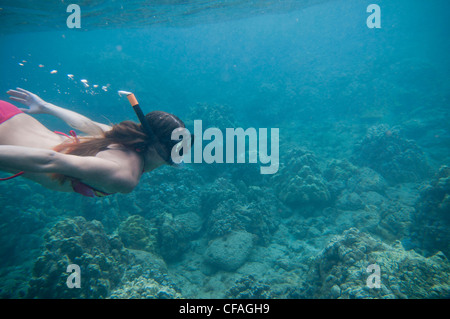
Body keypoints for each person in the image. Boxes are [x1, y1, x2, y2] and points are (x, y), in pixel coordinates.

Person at [0, 88, 189, 197]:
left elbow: (85, 124)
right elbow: (50, 160)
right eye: (170, 159)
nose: (167, 164)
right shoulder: (124, 176)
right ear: (158, 151)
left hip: (11, 115)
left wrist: (45, 106)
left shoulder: (128, 137)